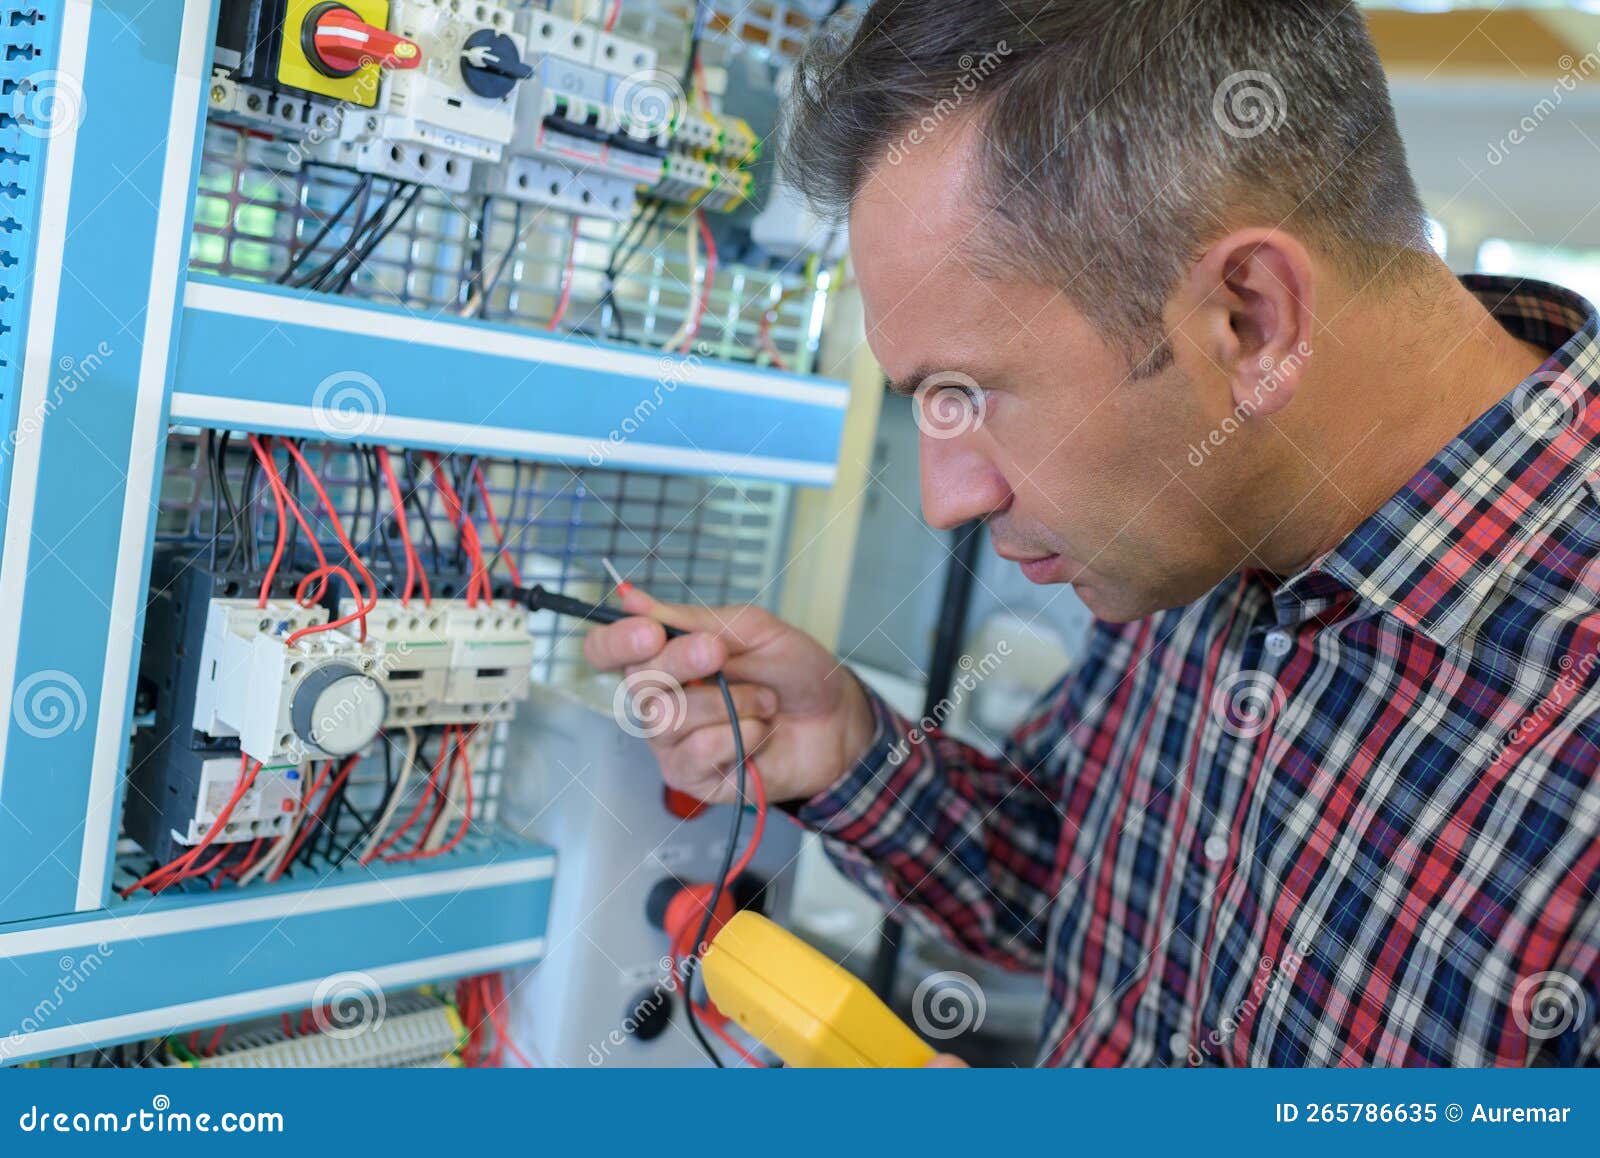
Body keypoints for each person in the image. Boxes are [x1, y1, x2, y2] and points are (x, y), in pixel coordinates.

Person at [585, 0, 1600, 1066]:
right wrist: (846, 750)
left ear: (1249, 320)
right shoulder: (1198, 521)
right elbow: (1080, 888)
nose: (945, 499)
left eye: (968, 392)